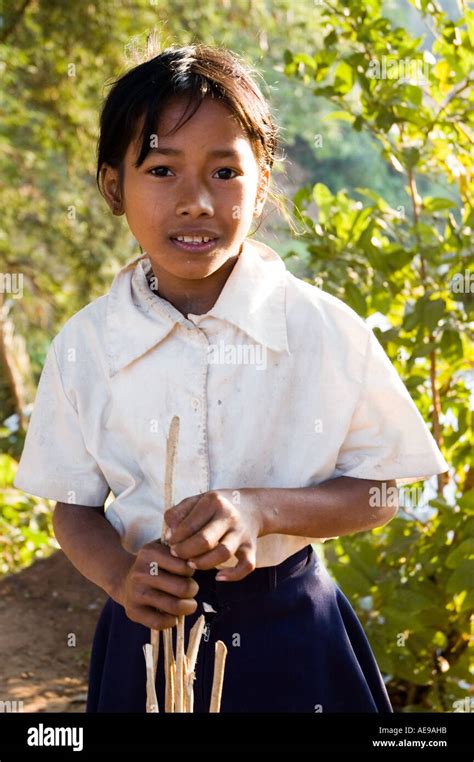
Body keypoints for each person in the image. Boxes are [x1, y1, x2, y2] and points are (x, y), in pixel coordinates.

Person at [14, 44, 449, 713]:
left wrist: (264, 509)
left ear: (263, 183)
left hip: (293, 636)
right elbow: (73, 507)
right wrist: (123, 576)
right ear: (112, 187)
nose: (194, 201)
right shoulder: (87, 345)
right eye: (161, 169)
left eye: (225, 171)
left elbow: (384, 491)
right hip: (146, 634)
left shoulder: (321, 331)